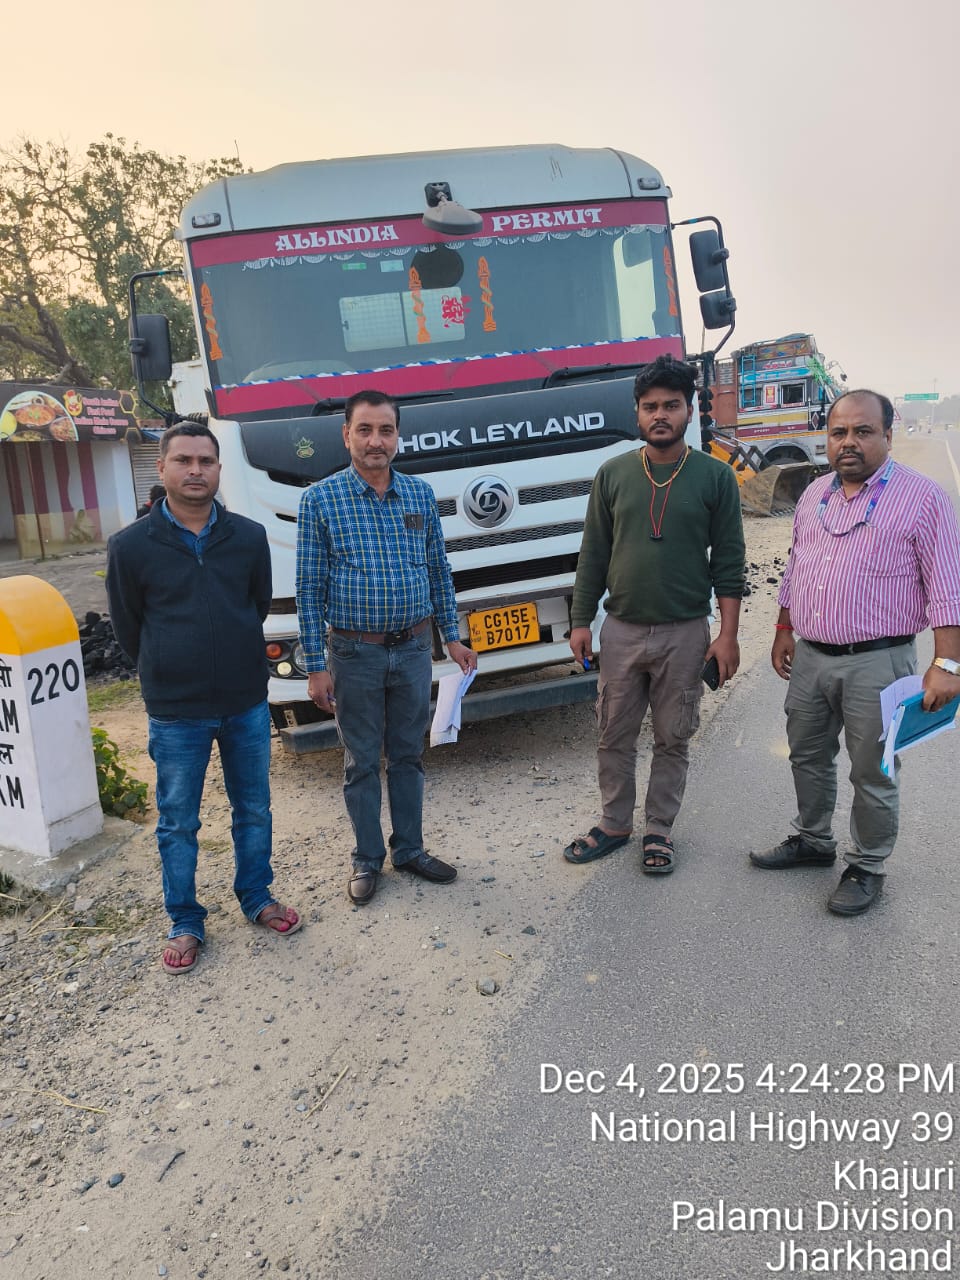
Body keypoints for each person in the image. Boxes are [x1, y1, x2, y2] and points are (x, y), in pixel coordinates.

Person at [751, 389, 960, 915]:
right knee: (807, 752)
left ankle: (867, 865)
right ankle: (813, 839)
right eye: (839, 432)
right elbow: (797, 566)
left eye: (863, 432)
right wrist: (783, 628)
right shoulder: (814, 494)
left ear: (887, 435)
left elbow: (947, 587)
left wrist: (947, 664)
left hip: (879, 661)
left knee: (873, 769)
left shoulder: (923, 498)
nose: (849, 442)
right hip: (811, 656)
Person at [107, 421, 300, 975]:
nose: (196, 470)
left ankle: (256, 896)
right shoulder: (130, 546)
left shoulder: (248, 537)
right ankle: (185, 920)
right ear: (162, 468)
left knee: (253, 808)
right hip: (175, 711)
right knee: (178, 822)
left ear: (218, 469)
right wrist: (168, 665)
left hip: (245, 701)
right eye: (183, 460)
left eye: (206, 461)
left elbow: (255, 605)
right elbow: (128, 626)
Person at [296, 390, 477, 906]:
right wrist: (315, 667)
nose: (376, 441)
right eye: (365, 430)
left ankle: (410, 850)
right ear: (346, 435)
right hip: (354, 654)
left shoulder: (419, 495)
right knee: (360, 760)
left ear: (398, 436)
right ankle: (367, 858)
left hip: (414, 649)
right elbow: (308, 588)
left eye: (386, 430)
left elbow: (438, 569)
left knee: (408, 755)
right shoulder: (321, 500)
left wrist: (452, 636)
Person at [565, 355, 745, 873]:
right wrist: (581, 621)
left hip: (685, 632)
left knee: (673, 735)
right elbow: (593, 553)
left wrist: (727, 636)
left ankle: (659, 829)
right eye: (650, 407)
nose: (660, 415)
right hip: (621, 630)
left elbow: (729, 562)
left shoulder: (716, 477)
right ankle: (614, 823)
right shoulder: (613, 474)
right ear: (637, 413)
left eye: (671, 405)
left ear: (689, 410)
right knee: (613, 733)